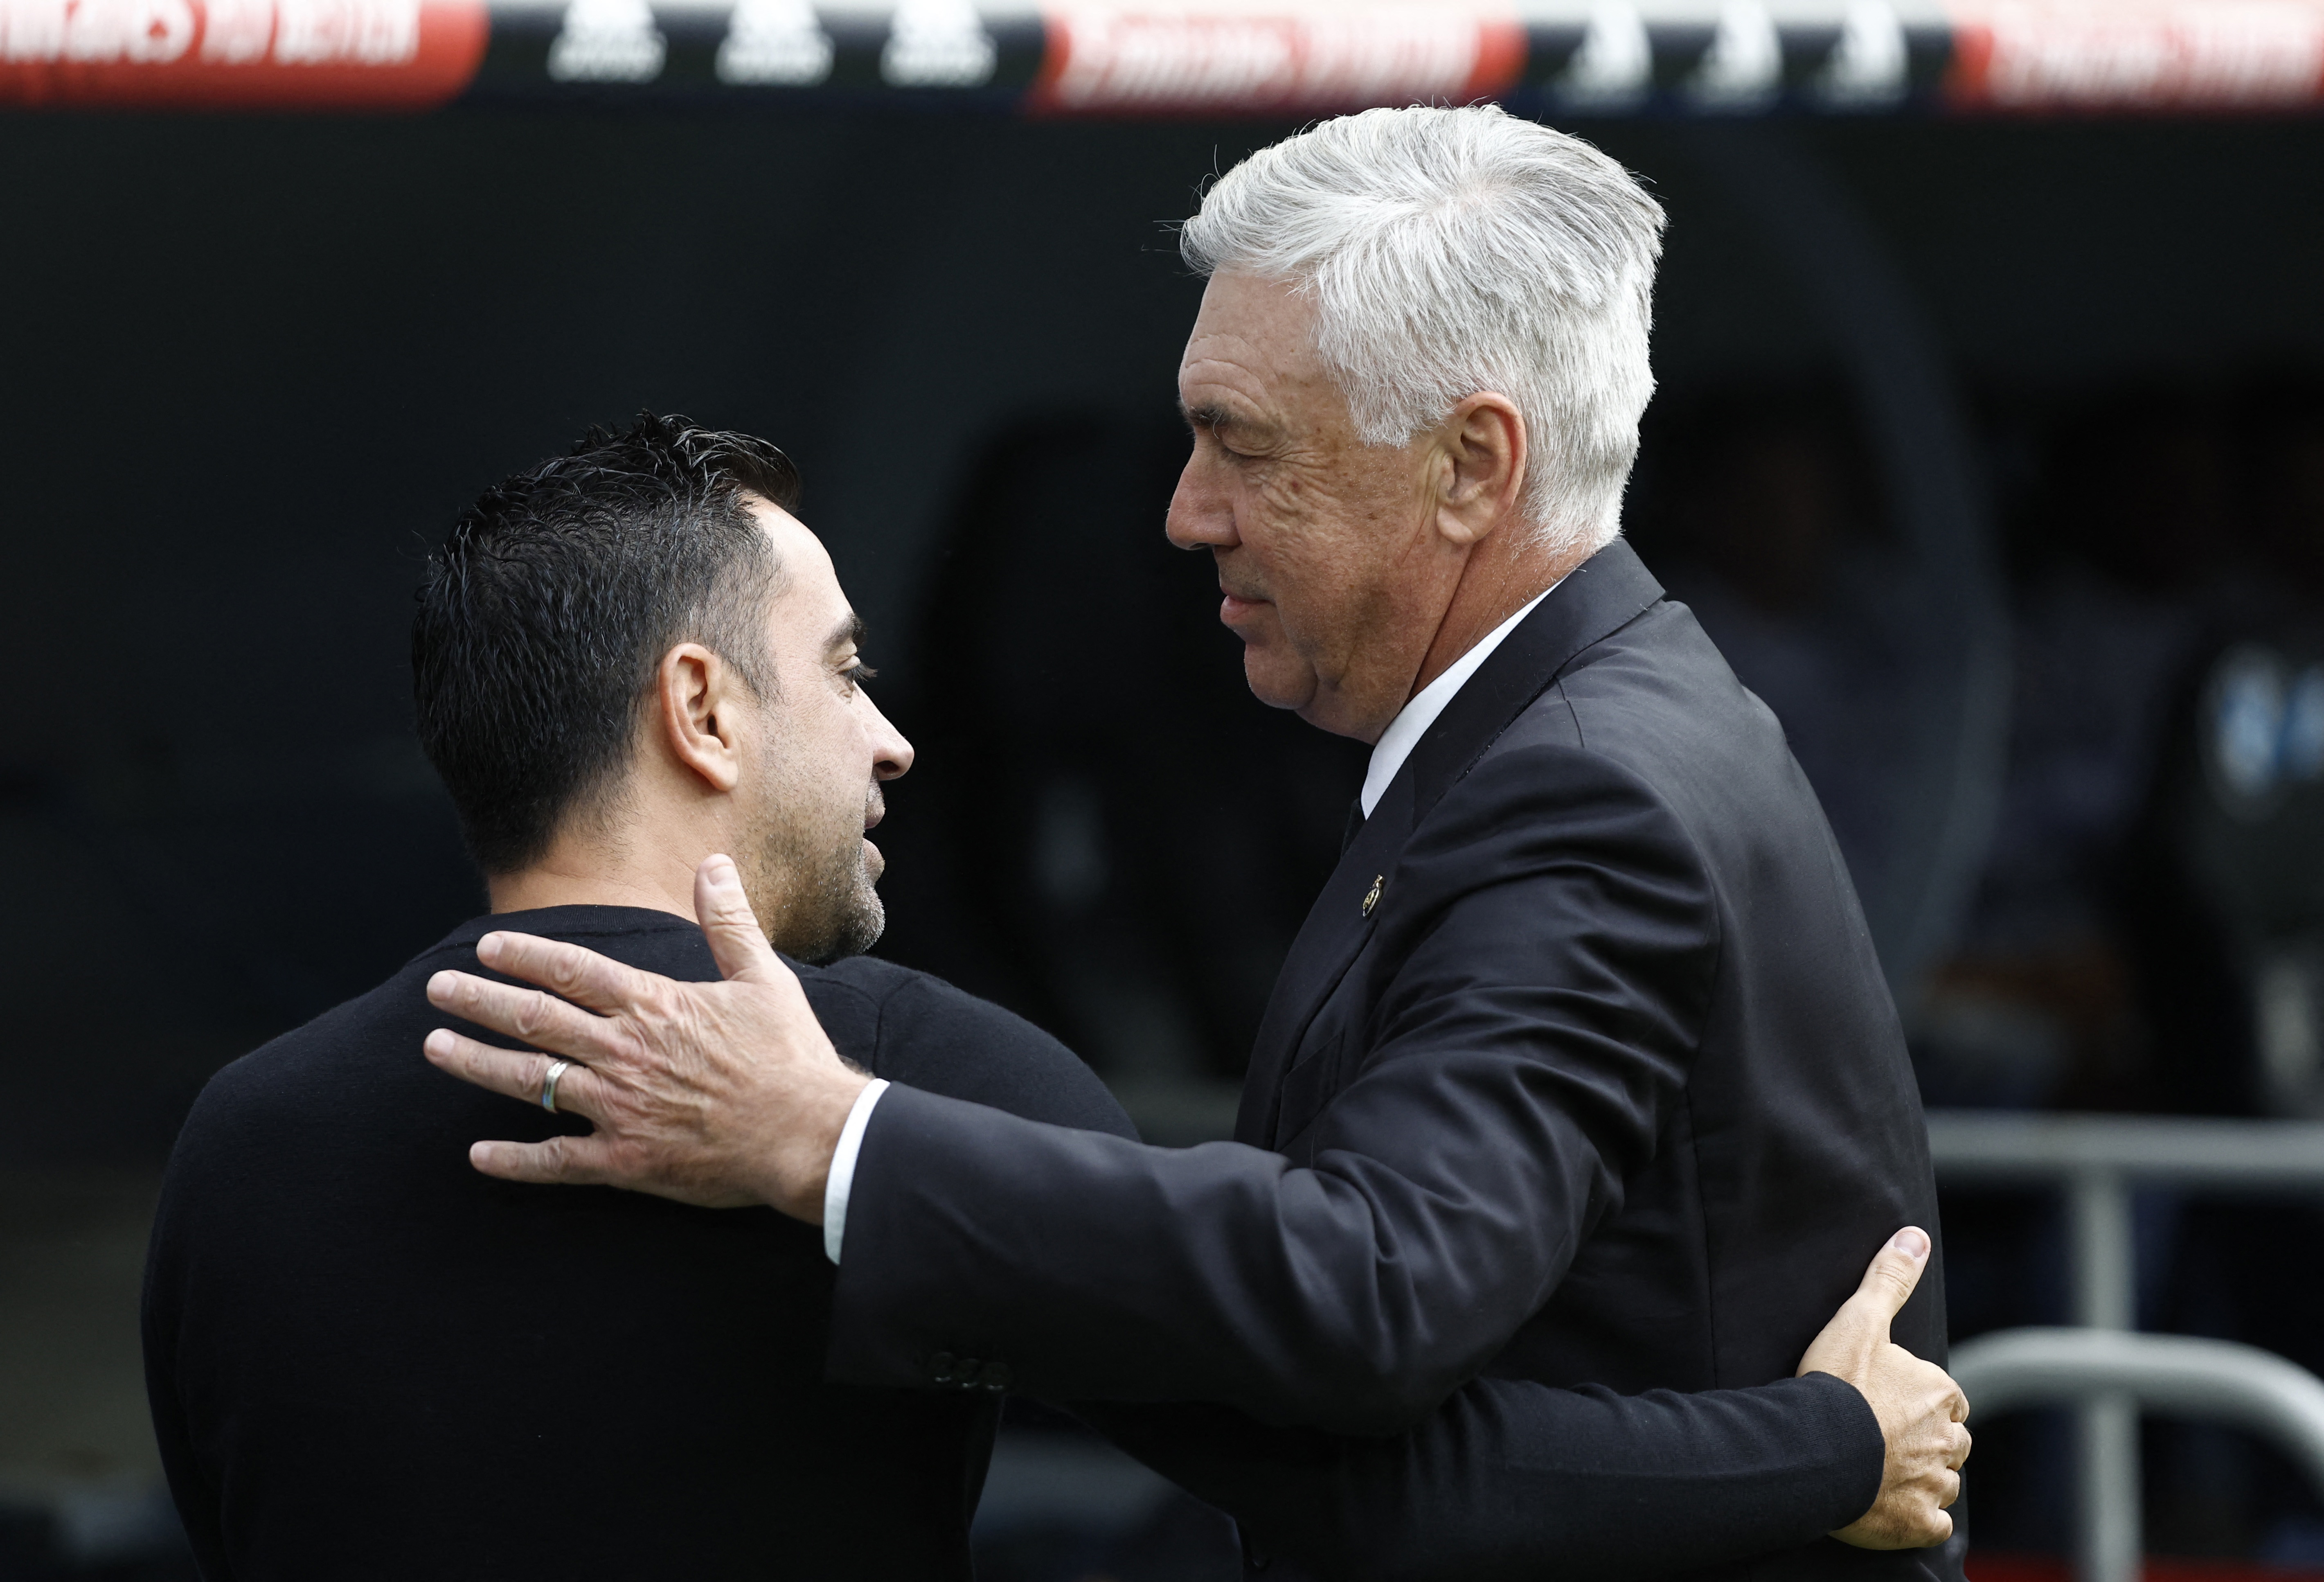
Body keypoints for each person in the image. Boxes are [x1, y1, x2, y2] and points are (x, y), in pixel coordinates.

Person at [426, 107, 1973, 1581]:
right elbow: (1352, 1422)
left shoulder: (1585, 788)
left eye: (1242, 445)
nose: (1185, 513)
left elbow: (1370, 1300)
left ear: (1472, 468)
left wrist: (823, 1140)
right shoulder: (1569, 736)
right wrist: (1816, 1448)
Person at [149, 415, 1956, 1582]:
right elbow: (1361, 1492)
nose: (894, 737)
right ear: (700, 714)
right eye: (846, 674)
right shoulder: (924, 1077)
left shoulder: (242, 1146)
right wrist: (1823, 1446)